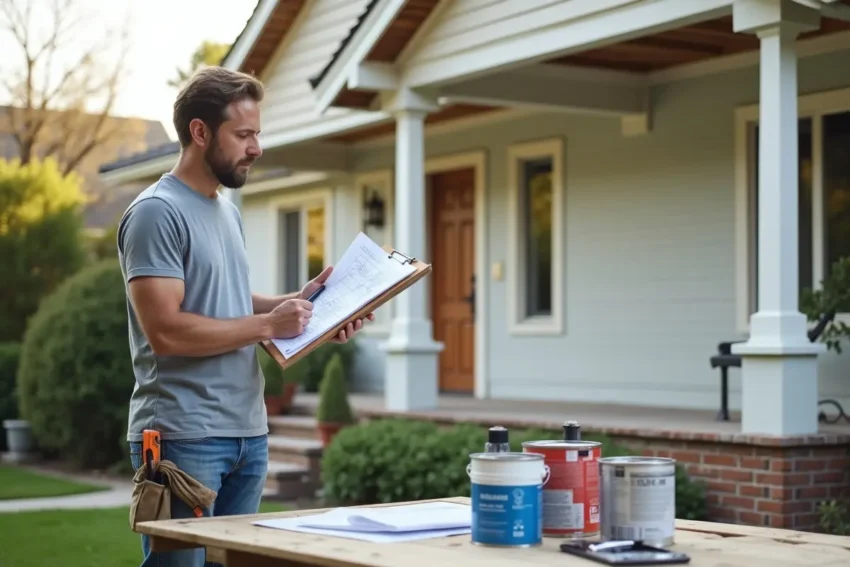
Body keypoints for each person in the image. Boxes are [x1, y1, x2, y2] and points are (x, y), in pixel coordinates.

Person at [117, 66, 373, 567]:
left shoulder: (226, 210)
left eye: (257, 134)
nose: (256, 148)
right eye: (244, 135)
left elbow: (226, 299)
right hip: (183, 435)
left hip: (247, 431)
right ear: (200, 131)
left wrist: (304, 305)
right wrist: (267, 326)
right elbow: (166, 330)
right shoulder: (156, 213)